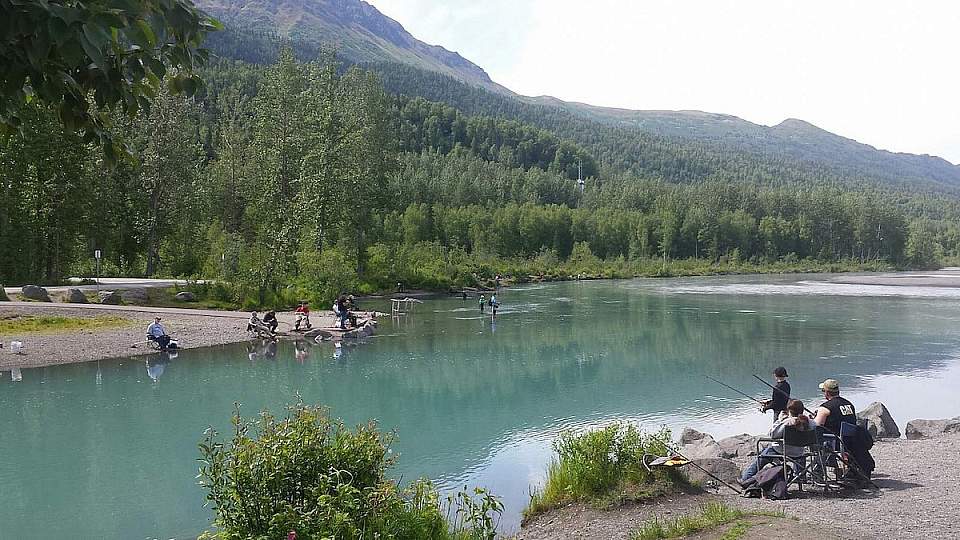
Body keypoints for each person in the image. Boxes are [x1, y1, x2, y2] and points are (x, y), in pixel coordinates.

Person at [740, 399, 812, 484]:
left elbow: (773, 435)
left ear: (789, 410)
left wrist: (779, 420)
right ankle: (801, 476)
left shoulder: (787, 422)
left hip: (781, 451)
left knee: (764, 455)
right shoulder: (809, 423)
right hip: (799, 453)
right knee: (798, 452)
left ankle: (746, 478)